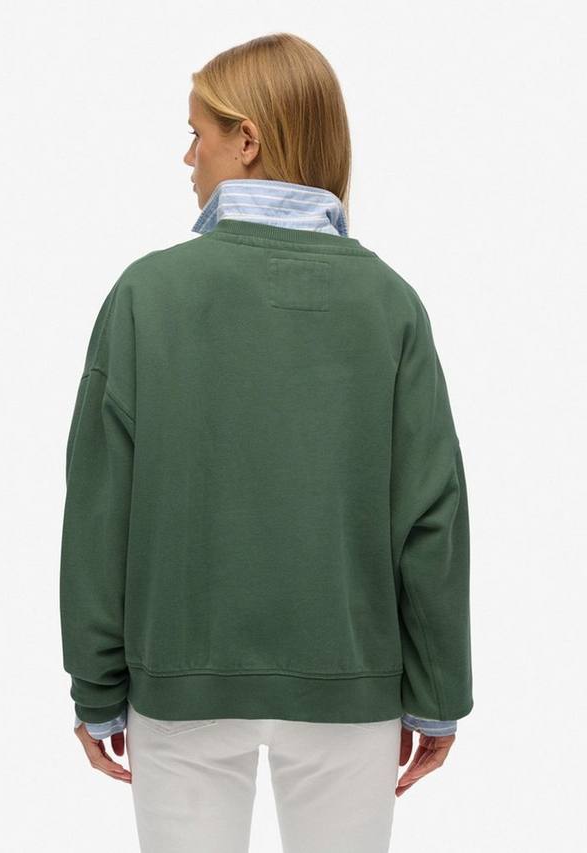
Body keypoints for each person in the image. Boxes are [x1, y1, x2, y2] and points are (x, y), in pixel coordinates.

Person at [59, 32, 473, 853]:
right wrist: (436, 693)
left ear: (246, 140)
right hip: (349, 695)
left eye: (197, 134)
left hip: (179, 691)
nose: (188, 158)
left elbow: (101, 506)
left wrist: (96, 686)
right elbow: (431, 514)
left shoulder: (147, 294)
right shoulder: (389, 304)